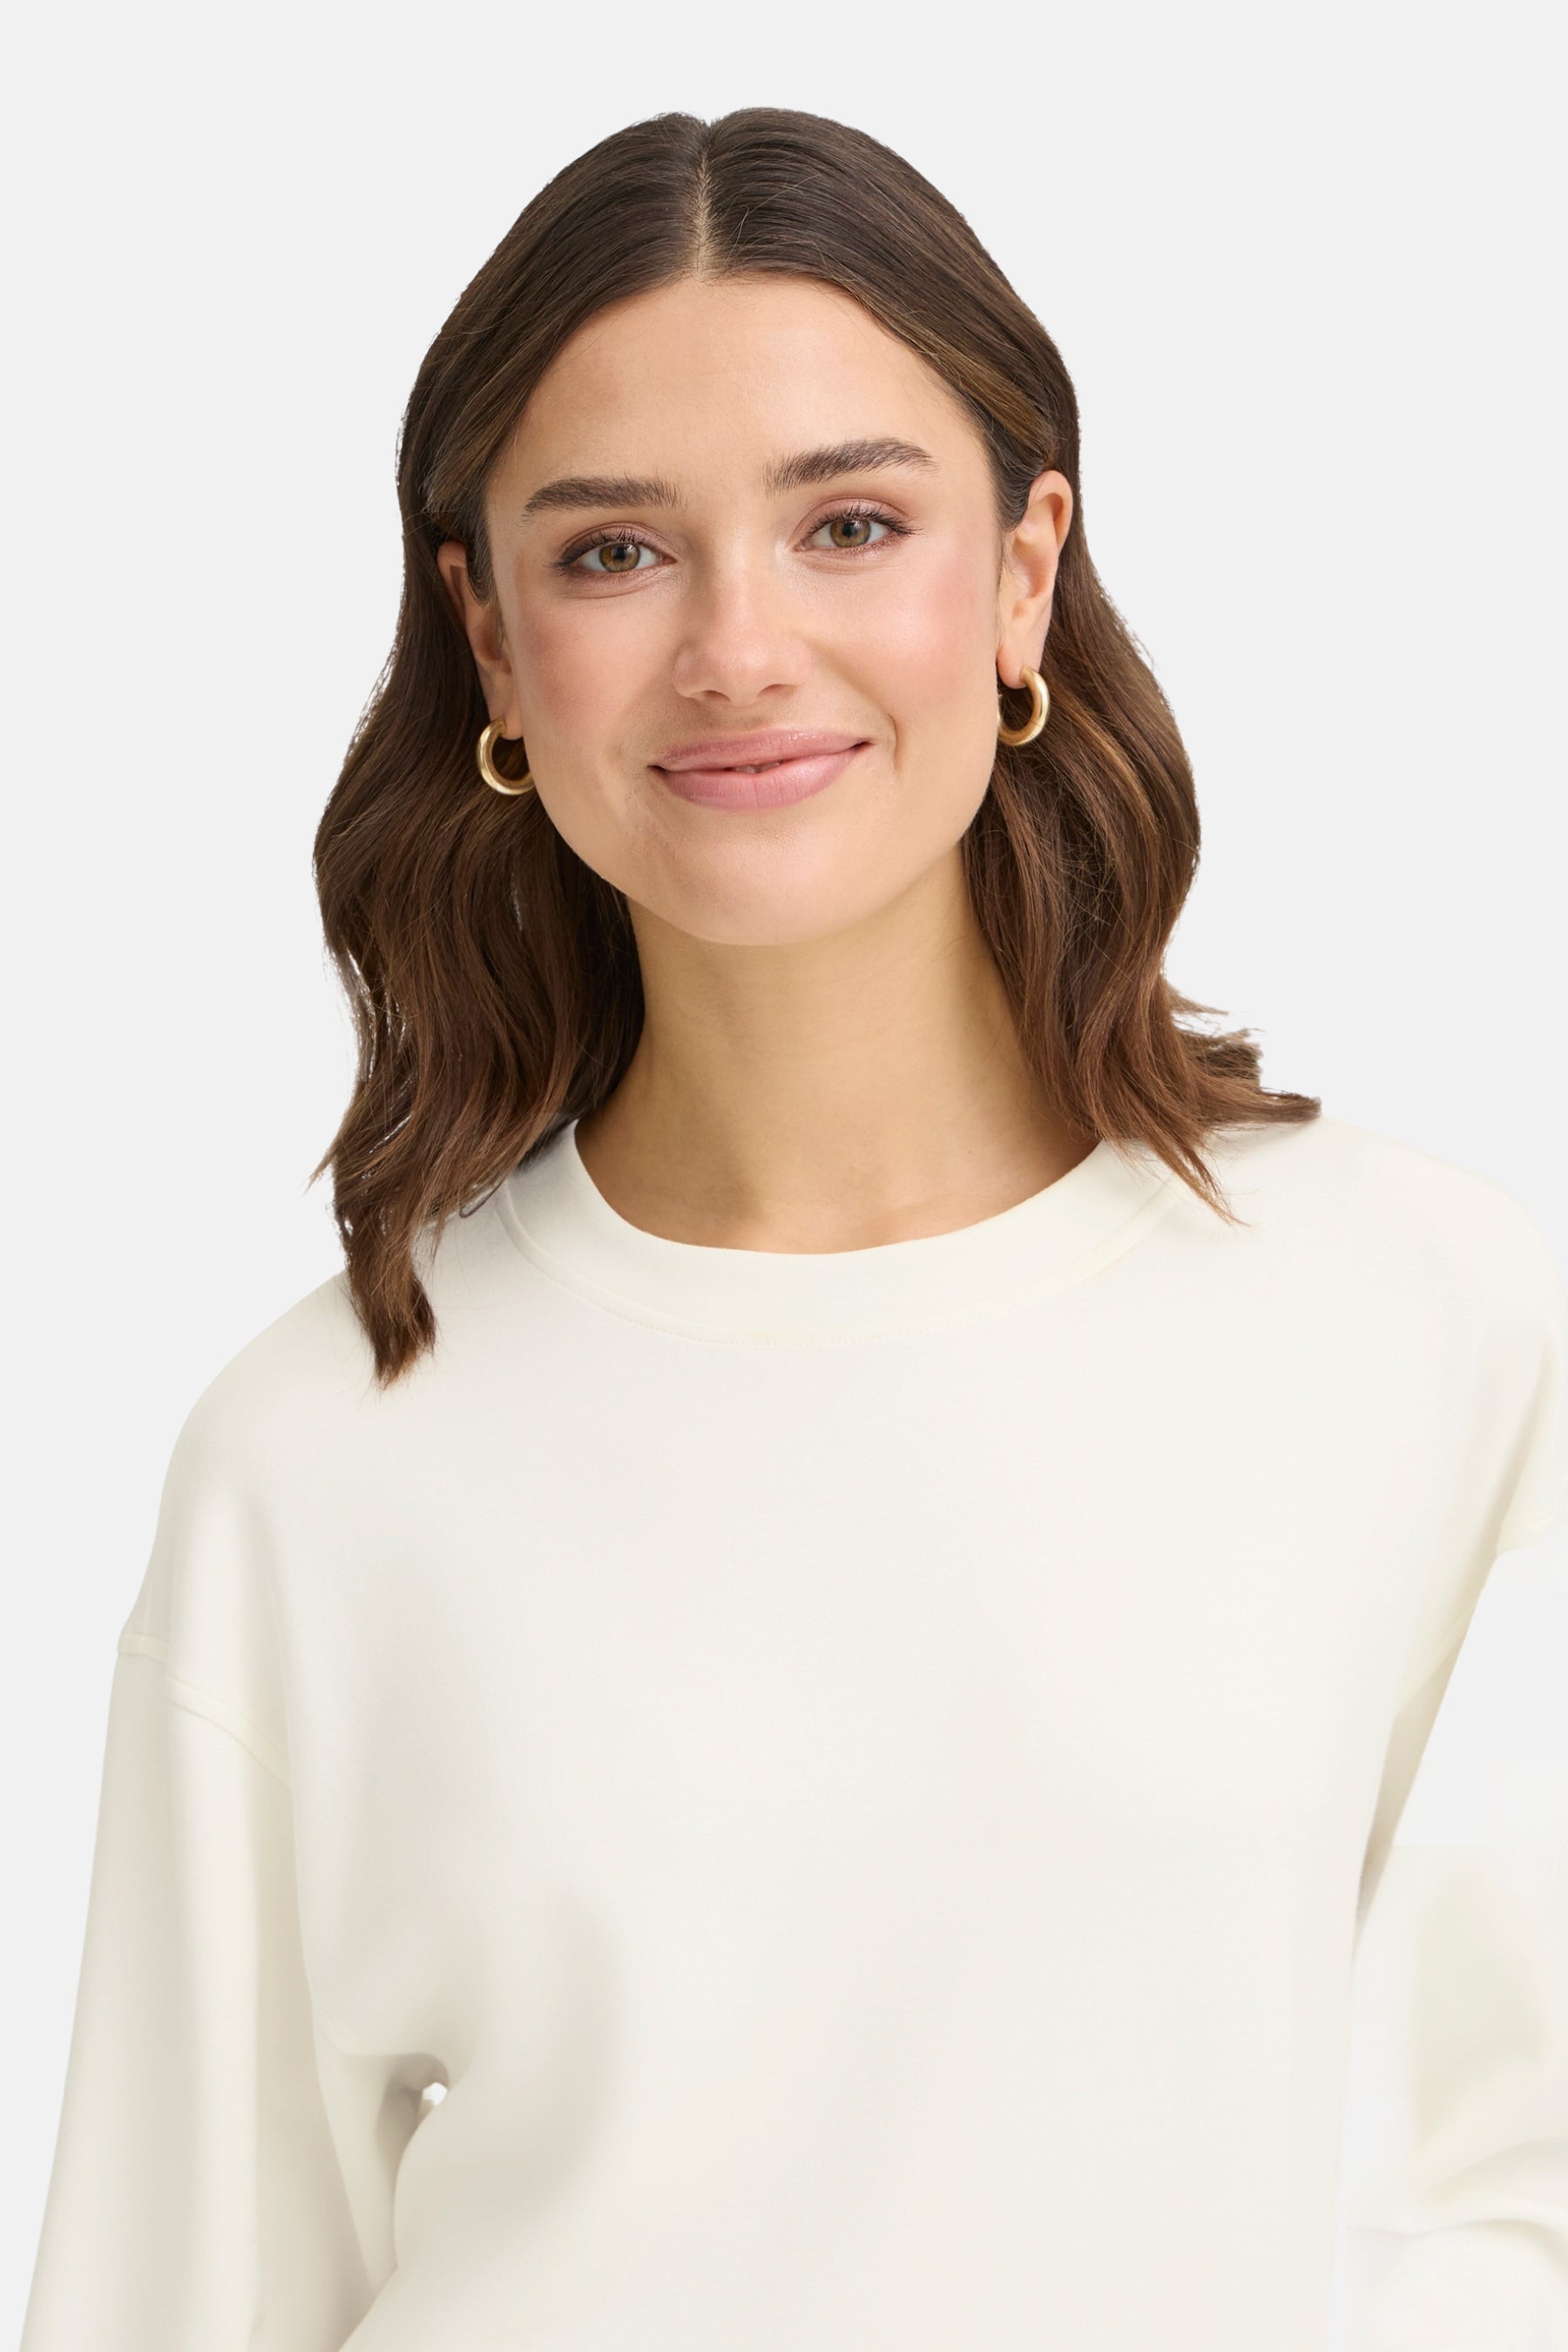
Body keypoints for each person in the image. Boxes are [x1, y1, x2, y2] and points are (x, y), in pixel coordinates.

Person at [18, 106, 1567, 2352]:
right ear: (488, 637)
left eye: (850, 523)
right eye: (615, 553)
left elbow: (1523, 2192)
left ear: (1024, 573)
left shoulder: (1428, 1324)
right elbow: (174, 2294)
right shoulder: (322, 1457)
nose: (740, 649)